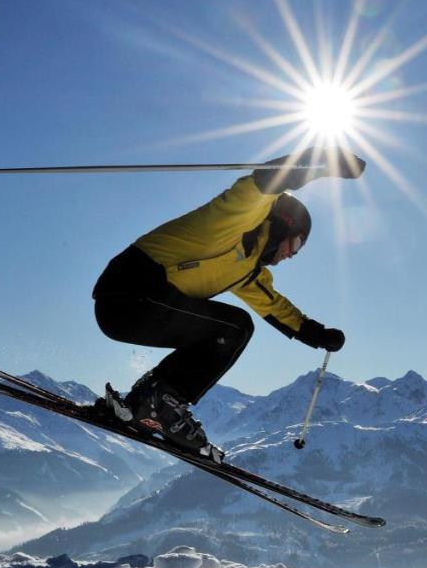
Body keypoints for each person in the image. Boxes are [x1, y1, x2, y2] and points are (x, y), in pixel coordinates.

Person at [91, 146, 366, 457]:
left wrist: (318, 335)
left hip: (138, 307)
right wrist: (325, 161)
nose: (292, 254)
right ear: (284, 223)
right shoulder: (237, 219)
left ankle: (150, 402)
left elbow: (274, 306)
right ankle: (159, 406)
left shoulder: (247, 268)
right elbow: (267, 181)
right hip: (129, 292)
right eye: (297, 243)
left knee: (230, 329)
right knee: (234, 327)